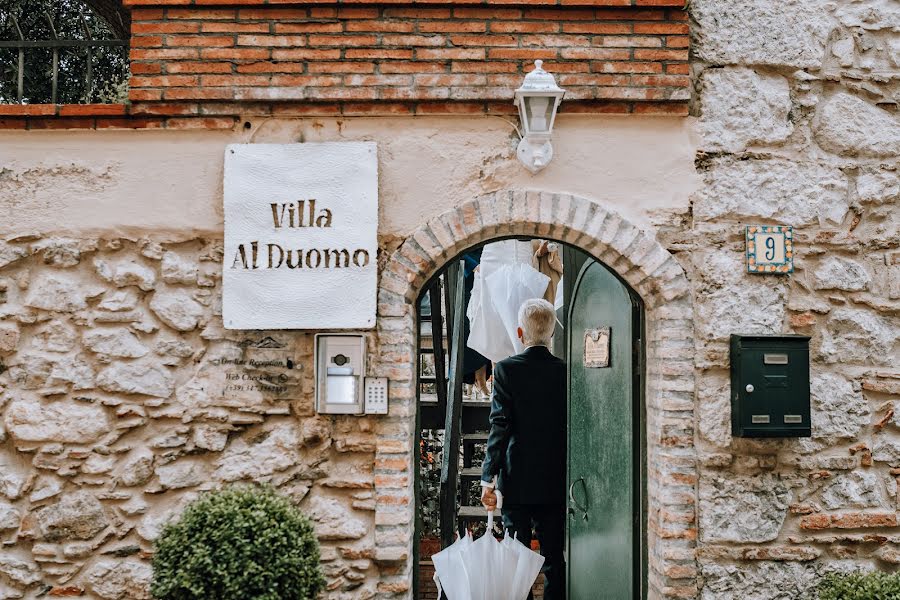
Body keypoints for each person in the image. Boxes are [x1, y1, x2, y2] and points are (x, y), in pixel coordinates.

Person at [480, 298, 566, 600]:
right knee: (555, 560)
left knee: (517, 560)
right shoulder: (565, 372)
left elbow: (500, 426)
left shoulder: (505, 371)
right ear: (552, 333)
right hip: (555, 479)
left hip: (516, 480)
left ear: (520, 333)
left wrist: (487, 477)